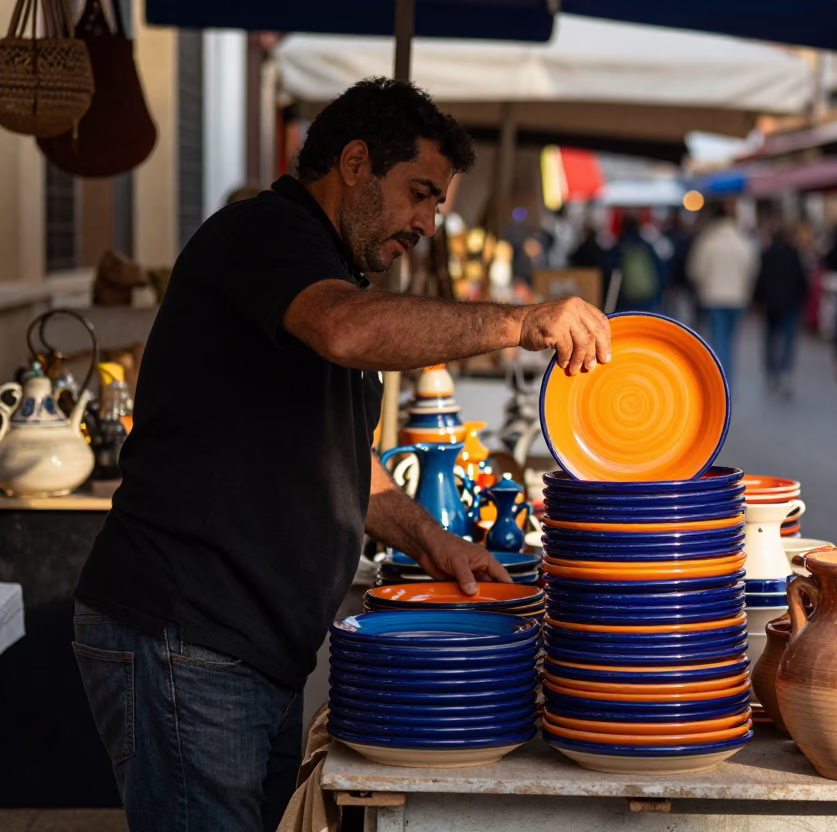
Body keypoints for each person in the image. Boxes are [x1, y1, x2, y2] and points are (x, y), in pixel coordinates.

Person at [72, 78, 610, 832]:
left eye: (438, 203)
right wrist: (521, 322)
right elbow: (347, 331)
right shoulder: (263, 235)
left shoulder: (333, 276)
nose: (428, 222)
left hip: (251, 647)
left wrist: (437, 543)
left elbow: (346, 466)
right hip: (185, 633)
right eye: (419, 193)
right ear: (355, 162)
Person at [687, 202, 758, 386]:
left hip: (713, 297)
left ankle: (719, 381)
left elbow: (695, 271)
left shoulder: (707, 241)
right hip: (738, 298)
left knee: (718, 341)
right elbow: (752, 269)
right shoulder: (743, 241)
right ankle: (728, 380)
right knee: (731, 341)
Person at [754, 224, 809, 397]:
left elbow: (760, 279)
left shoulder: (767, 254)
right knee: (788, 340)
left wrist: (759, 300)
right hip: (790, 304)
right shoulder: (793, 254)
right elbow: (801, 279)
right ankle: (785, 372)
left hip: (771, 304)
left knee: (771, 338)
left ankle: (771, 371)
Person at [602, 213, 665, 313]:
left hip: (624, 300)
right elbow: (660, 272)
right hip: (648, 300)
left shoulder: (618, 248)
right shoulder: (646, 247)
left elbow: (608, 273)